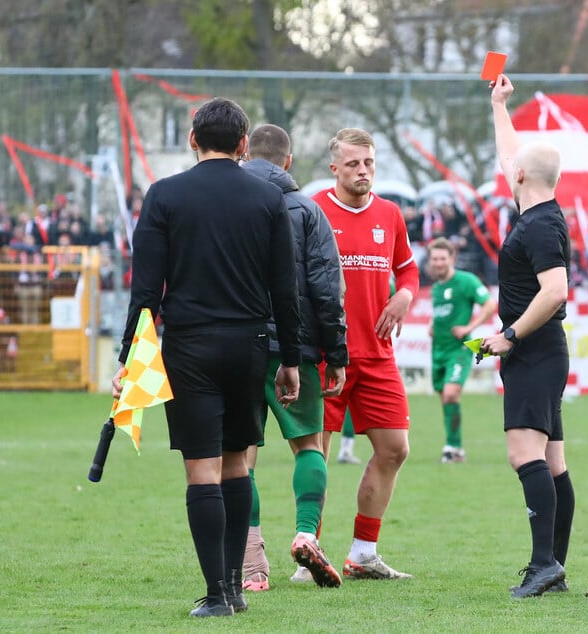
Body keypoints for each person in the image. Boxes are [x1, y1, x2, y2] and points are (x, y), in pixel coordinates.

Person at [112, 98, 301, 618]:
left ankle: (217, 593)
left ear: (193, 140)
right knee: (238, 462)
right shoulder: (267, 199)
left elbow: (145, 292)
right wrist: (289, 358)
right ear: (244, 145)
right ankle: (236, 587)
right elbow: (284, 289)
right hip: (249, 345)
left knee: (202, 470)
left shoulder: (165, 195)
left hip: (189, 346)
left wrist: (130, 360)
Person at [239, 123, 348, 590]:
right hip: (295, 347)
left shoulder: (229, 206)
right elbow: (326, 286)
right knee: (308, 443)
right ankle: (307, 534)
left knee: (240, 458)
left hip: (237, 346)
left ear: (245, 154)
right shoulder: (307, 210)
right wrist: (335, 351)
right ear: (288, 162)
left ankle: (251, 564)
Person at [478, 74, 574, 599]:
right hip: (543, 354)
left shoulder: (537, 226)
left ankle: (544, 565)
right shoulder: (538, 209)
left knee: (525, 456)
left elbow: (555, 290)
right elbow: (510, 153)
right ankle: (552, 565)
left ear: (519, 177)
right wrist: (499, 106)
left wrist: (510, 334)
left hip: (534, 353)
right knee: (553, 463)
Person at [311, 128, 420, 580]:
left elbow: (408, 268)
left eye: (369, 163)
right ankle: (308, 549)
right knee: (314, 455)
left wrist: (405, 297)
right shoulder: (313, 209)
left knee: (395, 449)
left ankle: (363, 553)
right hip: (324, 356)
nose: (363, 171)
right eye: (353, 164)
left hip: (377, 356)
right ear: (334, 168)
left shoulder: (390, 214)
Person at [426, 237, 497, 463]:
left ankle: (453, 446)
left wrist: (470, 327)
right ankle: (455, 449)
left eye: (442, 258)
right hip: (438, 350)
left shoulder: (466, 281)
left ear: (452, 259)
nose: (438, 263)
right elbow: (442, 313)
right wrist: (431, 325)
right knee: (446, 400)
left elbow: (490, 304)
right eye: (434, 258)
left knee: (450, 393)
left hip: (459, 349)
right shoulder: (436, 288)